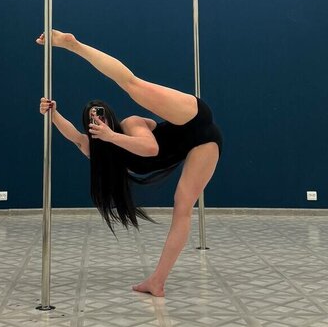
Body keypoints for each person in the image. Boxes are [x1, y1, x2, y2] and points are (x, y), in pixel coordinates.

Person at [37, 30, 222, 297]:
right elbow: (75, 137)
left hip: (191, 117)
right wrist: (52, 114)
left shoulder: (130, 124)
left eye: (101, 117)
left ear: (111, 119)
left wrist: (112, 136)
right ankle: (157, 281)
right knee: (182, 206)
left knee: (133, 85)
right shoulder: (102, 151)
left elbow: (151, 148)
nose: (98, 122)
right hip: (205, 143)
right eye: (92, 120)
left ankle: (74, 45)